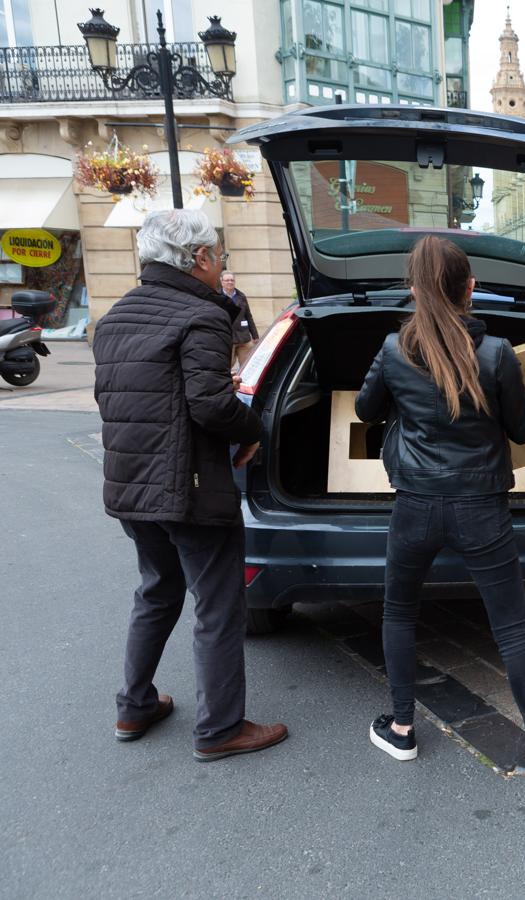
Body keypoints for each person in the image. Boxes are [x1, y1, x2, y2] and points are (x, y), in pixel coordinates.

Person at [354, 235, 525, 783]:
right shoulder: (496, 353)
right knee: (511, 629)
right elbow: (523, 427)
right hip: (482, 507)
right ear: (471, 289)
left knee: (398, 613)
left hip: (415, 504)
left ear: (413, 290)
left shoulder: (394, 349)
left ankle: (402, 730)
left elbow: (368, 410)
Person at [92, 209, 287, 761]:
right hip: (191, 487)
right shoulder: (201, 316)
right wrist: (252, 429)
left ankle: (134, 705)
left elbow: (131, 397)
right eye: (219, 254)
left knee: (157, 590)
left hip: (131, 486)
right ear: (199, 259)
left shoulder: (116, 317)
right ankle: (221, 729)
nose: (222, 263)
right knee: (218, 603)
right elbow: (209, 405)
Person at [220, 271, 258, 372]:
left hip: (243, 338)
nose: (230, 282)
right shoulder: (217, 296)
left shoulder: (241, 296)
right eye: (227, 280)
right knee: (226, 366)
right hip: (227, 338)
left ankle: (244, 385)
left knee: (247, 367)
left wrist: (255, 336)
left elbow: (248, 316)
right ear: (222, 282)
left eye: (232, 280)